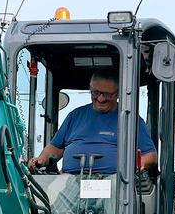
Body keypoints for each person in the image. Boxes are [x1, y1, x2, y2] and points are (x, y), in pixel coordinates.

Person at [28, 74, 157, 175]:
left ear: (118, 94)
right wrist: (40, 161)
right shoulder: (75, 116)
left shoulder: (130, 119)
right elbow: (55, 148)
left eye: (107, 94)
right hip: (71, 179)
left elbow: (150, 156)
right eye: (95, 93)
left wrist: (134, 168)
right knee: (51, 205)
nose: (101, 98)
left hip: (116, 182)